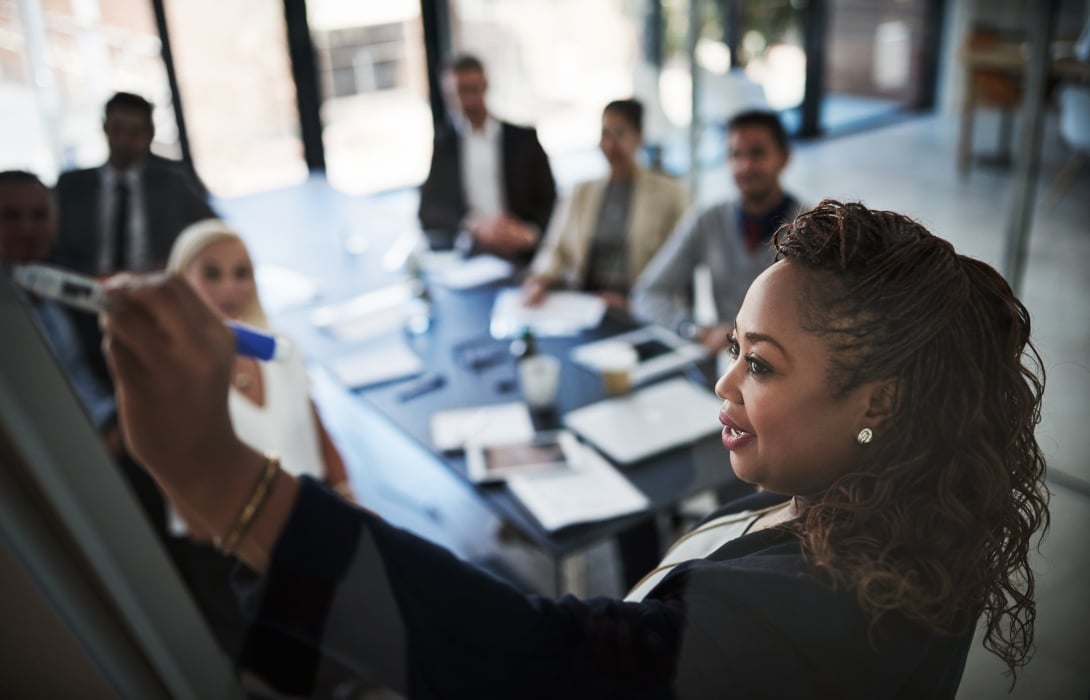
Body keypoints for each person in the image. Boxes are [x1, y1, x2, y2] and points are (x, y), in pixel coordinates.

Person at [102, 200, 1049, 698]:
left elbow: (544, 670)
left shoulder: (823, 620)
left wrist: (222, 478)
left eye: (759, 365)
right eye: (730, 349)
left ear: (873, 402)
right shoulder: (901, 518)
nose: (724, 384)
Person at [0, 169, 167, 534]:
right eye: (10, 216)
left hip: (123, 433)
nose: (27, 228)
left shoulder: (75, 280)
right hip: (60, 461)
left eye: (39, 215)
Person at [631, 109, 806, 352]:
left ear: (784, 157)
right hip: (726, 365)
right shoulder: (707, 220)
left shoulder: (812, 230)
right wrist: (691, 329)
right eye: (735, 155)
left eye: (757, 153)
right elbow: (648, 294)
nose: (745, 166)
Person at [522, 99, 688, 311]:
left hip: (638, 305)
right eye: (605, 134)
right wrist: (539, 279)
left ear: (639, 137)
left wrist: (633, 304)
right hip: (586, 302)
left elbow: (678, 267)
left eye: (619, 134)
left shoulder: (670, 193)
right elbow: (555, 248)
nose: (609, 145)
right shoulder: (581, 192)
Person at [53, 91, 216, 277]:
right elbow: (57, 250)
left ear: (149, 135)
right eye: (117, 129)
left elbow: (213, 232)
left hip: (155, 288)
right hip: (87, 289)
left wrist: (169, 268)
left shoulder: (173, 183)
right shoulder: (73, 186)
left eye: (134, 132)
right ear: (105, 128)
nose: (124, 141)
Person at [418, 54, 557, 264]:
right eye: (459, 92)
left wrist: (529, 233)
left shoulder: (524, 140)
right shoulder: (444, 144)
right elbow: (429, 211)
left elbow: (552, 203)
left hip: (522, 252)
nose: (468, 101)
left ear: (485, 85)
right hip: (471, 254)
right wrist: (473, 226)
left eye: (473, 89)